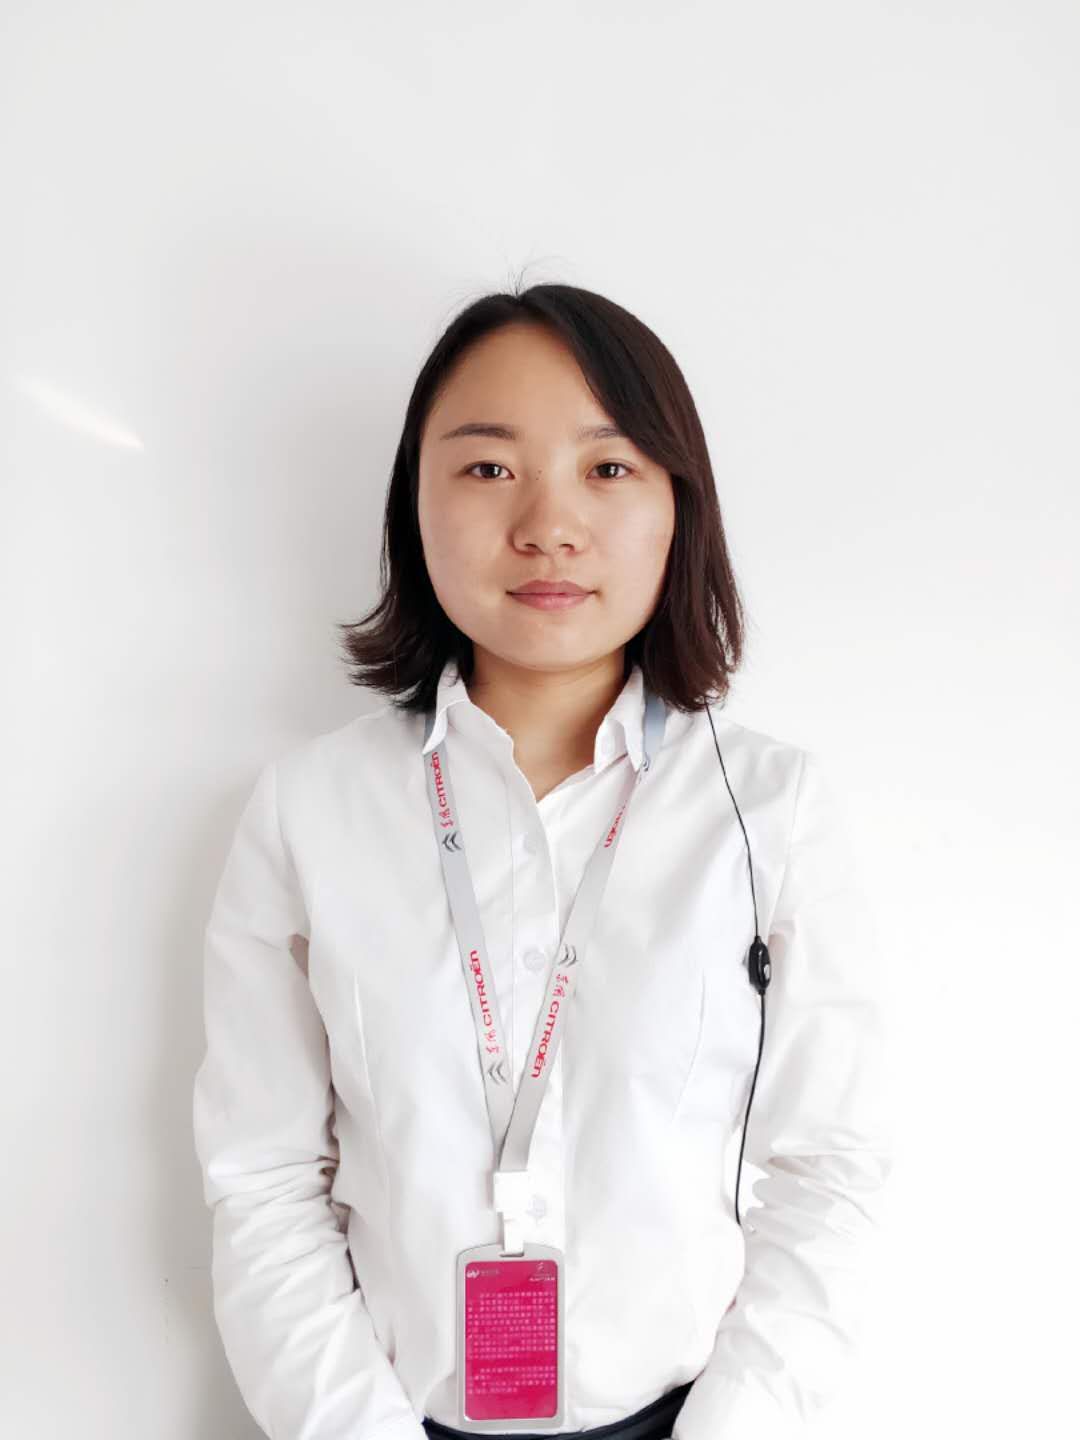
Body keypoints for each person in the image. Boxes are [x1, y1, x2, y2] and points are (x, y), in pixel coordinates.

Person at [192, 282, 893, 1440]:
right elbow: (262, 1180)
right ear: (413, 503)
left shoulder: (775, 810)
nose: (549, 524)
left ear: (680, 506)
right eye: (488, 467)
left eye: (607, 468)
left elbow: (833, 1171)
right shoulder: (309, 811)